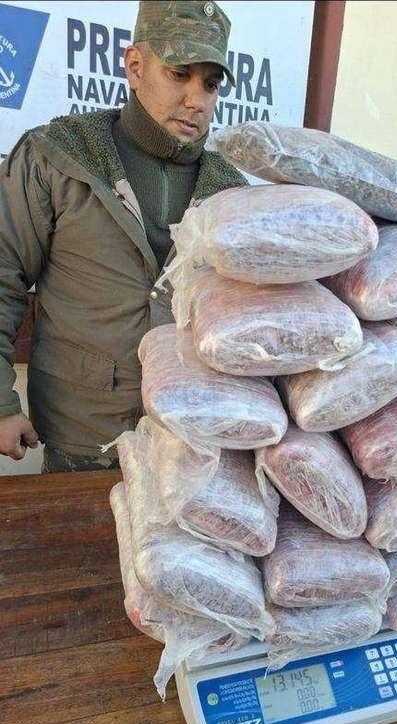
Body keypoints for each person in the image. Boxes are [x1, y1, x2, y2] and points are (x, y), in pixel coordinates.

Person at [0, 0, 246, 472]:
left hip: (191, 444)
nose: (196, 100)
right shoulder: (59, 156)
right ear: (135, 66)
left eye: (210, 84)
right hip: (83, 438)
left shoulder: (230, 191)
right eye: (179, 74)